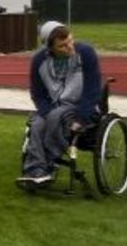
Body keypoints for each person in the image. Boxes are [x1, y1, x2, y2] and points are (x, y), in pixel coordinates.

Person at [16, 21, 102, 190]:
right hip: (54, 108)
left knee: (55, 116)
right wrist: (47, 112)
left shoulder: (86, 53)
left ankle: (45, 166)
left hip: (82, 108)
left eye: (70, 40)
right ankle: (35, 171)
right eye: (62, 46)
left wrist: (81, 118)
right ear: (50, 48)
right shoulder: (39, 61)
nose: (69, 47)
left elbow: (93, 90)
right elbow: (38, 94)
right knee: (37, 124)